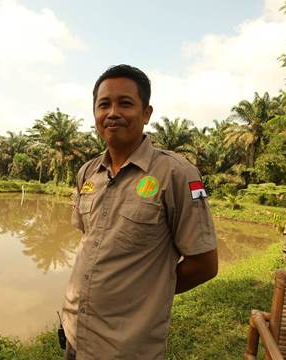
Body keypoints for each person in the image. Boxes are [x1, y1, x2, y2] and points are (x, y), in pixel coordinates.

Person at [61, 64, 218, 360]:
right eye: (103, 104)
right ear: (95, 113)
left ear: (146, 113)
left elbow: (204, 264)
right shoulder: (87, 173)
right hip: (75, 333)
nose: (112, 112)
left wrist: (147, 295)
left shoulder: (176, 174)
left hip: (126, 347)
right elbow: (91, 242)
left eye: (125, 103)